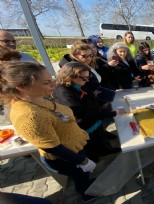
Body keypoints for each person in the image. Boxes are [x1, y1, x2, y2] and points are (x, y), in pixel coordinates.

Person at [0, 61, 96, 201]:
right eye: (46, 83)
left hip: (74, 149)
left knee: (83, 174)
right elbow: (52, 147)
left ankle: (86, 183)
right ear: (22, 87)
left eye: (51, 79)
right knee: (80, 175)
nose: (54, 85)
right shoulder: (28, 115)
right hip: (65, 157)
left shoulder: (38, 98)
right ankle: (86, 194)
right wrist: (82, 161)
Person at [53, 62, 122, 162]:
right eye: (83, 78)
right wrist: (113, 113)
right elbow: (82, 113)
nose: (86, 80)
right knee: (91, 146)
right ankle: (94, 162)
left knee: (101, 138)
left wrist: (91, 96)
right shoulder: (63, 93)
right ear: (70, 76)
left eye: (87, 77)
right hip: (84, 125)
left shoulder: (78, 83)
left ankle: (107, 151)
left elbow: (84, 96)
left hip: (95, 120)